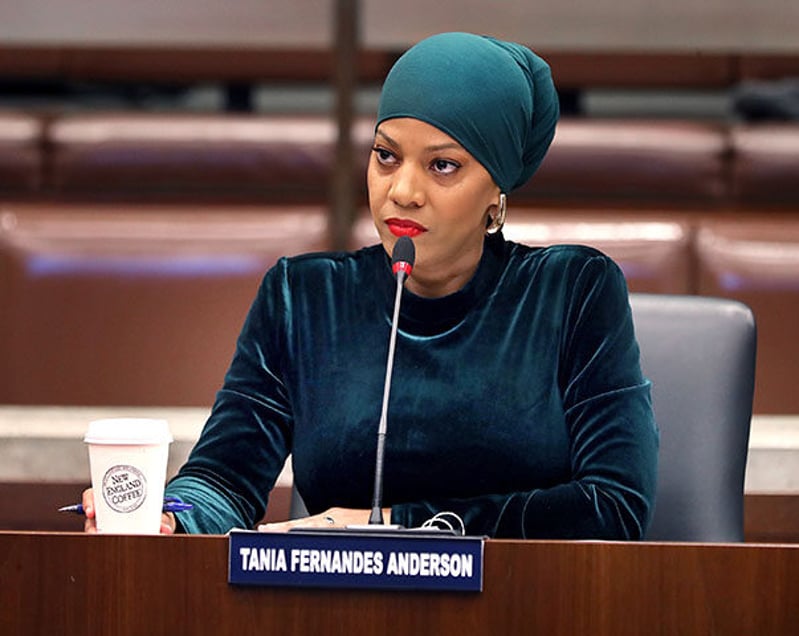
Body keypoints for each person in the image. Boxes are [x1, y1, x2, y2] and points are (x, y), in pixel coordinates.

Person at [83, 32, 658, 539]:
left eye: (442, 166)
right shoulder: (303, 297)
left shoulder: (573, 291)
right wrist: (173, 514)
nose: (402, 191)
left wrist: (395, 526)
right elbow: (224, 478)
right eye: (386, 156)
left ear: (496, 194)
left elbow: (614, 505)